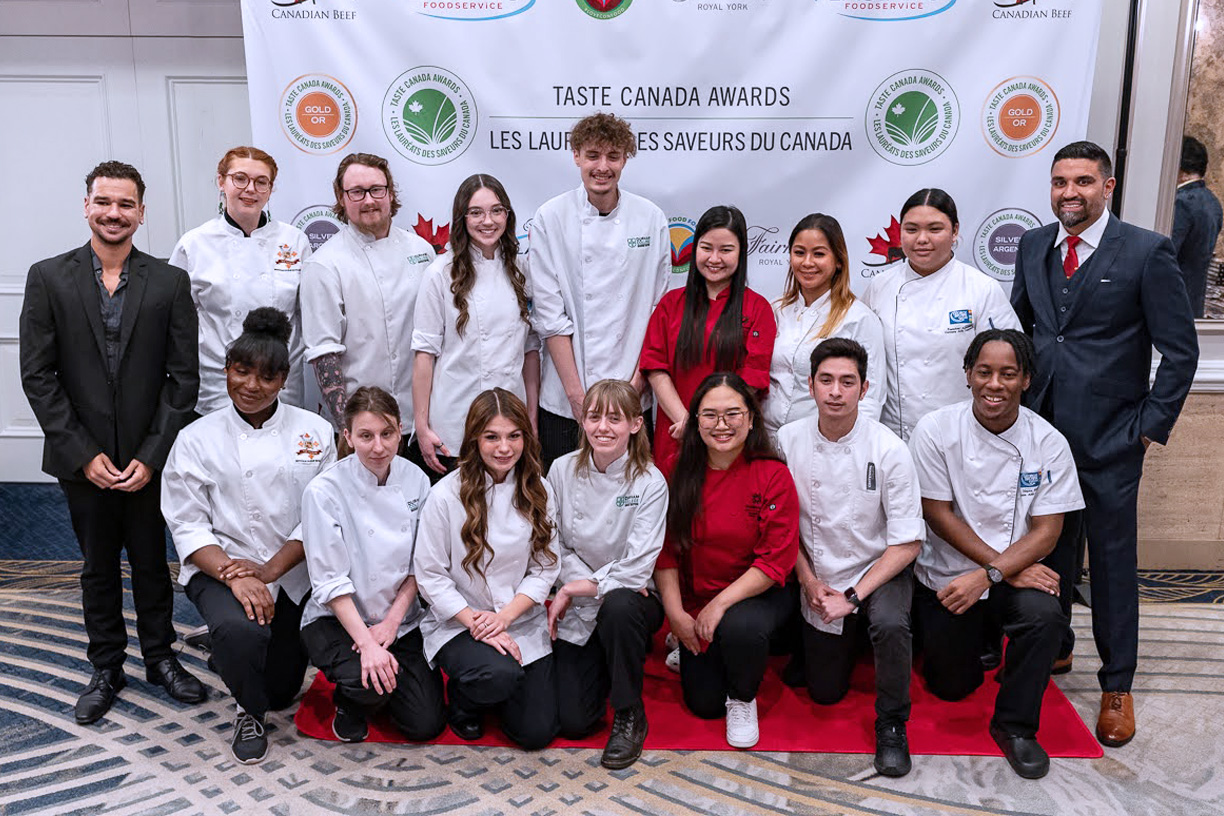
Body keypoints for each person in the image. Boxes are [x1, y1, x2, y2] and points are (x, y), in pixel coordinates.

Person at [1011, 141, 1199, 748]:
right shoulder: (1033, 245)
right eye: (1060, 181)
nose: (1070, 193)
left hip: (1112, 439)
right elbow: (1023, 331)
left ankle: (1117, 684)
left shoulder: (1147, 251)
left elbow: (1180, 350)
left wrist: (1148, 426)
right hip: (1040, 437)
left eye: (1084, 182)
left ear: (1108, 186)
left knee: (1113, 564)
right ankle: (1057, 647)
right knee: (1052, 551)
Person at [19, 160, 205, 725]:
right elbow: (38, 375)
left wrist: (152, 455)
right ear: (87, 206)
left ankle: (159, 657)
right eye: (104, 202)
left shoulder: (169, 282)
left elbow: (183, 379)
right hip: (83, 463)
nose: (114, 214)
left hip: (150, 459)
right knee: (97, 566)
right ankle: (106, 666)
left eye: (126, 205)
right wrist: (81, 453)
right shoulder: (48, 277)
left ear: (141, 213)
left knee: (152, 562)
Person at [162, 308, 335, 763]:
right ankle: (248, 712)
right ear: (226, 371)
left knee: (280, 690)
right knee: (242, 633)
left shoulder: (315, 432)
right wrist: (237, 577)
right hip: (219, 567)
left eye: (266, 377)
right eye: (241, 372)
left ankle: (230, 653)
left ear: (283, 380)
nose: (251, 386)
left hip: (292, 571)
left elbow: (322, 514)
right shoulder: (197, 438)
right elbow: (186, 522)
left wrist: (271, 569)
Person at [909, 330, 1084, 779]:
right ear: (967, 375)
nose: (994, 384)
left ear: (1026, 380)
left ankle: (1016, 726)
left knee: (1045, 616)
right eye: (984, 372)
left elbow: (1048, 531)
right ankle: (980, 642)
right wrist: (997, 570)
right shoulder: (935, 430)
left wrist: (991, 575)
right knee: (951, 687)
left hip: (1005, 572)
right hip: (950, 576)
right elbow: (936, 513)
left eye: (1008, 374)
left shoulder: (1048, 441)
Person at [776, 338, 922, 778]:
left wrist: (853, 597)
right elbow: (785, 530)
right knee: (824, 694)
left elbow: (908, 543)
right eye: (826, 381)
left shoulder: (890, 448)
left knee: (891, 623)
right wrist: (807, 581)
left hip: (880, 566)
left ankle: (893, 723)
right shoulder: (787, 440)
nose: (835, 392)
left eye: (847, 382)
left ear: (864, 388)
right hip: (817, 569)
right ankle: (832, 642)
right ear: (810, 385)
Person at [654, 373, 799, 749]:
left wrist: (718, 606)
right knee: (702, 704)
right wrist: (676, 614)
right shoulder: (675, 469)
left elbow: (775, 560)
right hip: (696, 595)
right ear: (694, 420)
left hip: (755, 595)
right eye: (709, 415)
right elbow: (665, 550)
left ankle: (742, 696)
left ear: (751, 418)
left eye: (733, 413)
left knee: (740, 628)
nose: (722, 425)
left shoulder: (773, 474)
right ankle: (704, 650)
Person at [414, 389, 560, 749]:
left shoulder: (539, 490)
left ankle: (500, 690)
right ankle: (465, 703)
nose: (504, 448)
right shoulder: (445, 494)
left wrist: (504, 619)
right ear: (474, 438)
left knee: (536, 733)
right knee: (497, 674)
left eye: (514, 436)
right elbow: (430, 575)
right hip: (460, 623)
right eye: (491, 437)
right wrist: (478, 624)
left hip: (518, 620)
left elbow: (545, 569)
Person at [298, 386, 445, 743]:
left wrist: (392, 624)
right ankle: (351, 700)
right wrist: (367, 645)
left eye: (387, 434)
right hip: (336, 620)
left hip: (399, 620)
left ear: (400, 431)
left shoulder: (417, 481)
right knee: (370, 686)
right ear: (347, 436)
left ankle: (380, 687)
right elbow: (330, 582)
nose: (378, 447)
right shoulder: (324, 492)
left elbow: (420, 564)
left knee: (425, 724)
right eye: (365, 436)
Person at [527, 113, 670, 471]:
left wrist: (634, 391)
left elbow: (657, 313)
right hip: (564, 401)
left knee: (631, 501)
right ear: (576, 156)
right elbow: (550, 317)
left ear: (625, 159)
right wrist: (578, 398)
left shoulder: (650, 218)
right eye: (592, 156)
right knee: (562, 502)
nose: (602, 167)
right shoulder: (550, 217)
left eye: (613, 156)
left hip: (633, 398)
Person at [547, 379, 668, 769]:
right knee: (575, 721)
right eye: (594, 416)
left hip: (634, 601)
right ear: (582, 421)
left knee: (618, 607)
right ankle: (605, 651)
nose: (603, 427)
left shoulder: (650, 482)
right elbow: (551, 544)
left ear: (635, 424)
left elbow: (637, 567)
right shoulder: (561, 470)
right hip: (578, 595)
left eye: (615, 418)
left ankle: (630, 713)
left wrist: (577, 588)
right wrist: (575, 587)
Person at [861, 188, 1020, 441]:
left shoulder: (981, 288)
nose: (922, 239)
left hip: (963, 434)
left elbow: (1011, 360)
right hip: (893, 436)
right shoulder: (880, 287)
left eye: (935, 229)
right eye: (911, 230)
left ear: (955, 231)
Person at [411, 174, 540, 481]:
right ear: (462, 218)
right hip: (454, 423)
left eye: (497, 211)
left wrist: (531, 419)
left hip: (510, 424)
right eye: (476, 212)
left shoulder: (523, 271)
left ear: (508, 216)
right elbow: (424, 356)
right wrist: (422, 426)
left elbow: (531, 352)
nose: (488, 221)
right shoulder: (440, 274)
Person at [169, 146, 312, 415]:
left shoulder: (295, 242)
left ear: (270, 189)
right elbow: (175, 324)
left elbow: (308, 315)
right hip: (218, 386)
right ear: (221, 181)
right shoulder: (194, 244)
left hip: (282, 384)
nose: (250, 189)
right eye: (240, 179)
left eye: (261, 182)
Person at [301, 152, 436, 434]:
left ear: (390, 192)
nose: (369, 200)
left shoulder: (421, 251)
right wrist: (349, 430)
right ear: (341, 197)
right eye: (357, 192)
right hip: (361, 427)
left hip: (422, 422)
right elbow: (324, 353)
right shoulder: (324, 264)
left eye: (376, 189)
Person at [640, 205, 777, 464]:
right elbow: (656, 369)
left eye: (726, 250)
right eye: (706, 248)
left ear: (741, 253)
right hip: (677, 436)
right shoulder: (670, 304)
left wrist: (715, 425)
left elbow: (752, 378)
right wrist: (686, 422)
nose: (714, 258)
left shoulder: (758, 308)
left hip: (730, 437)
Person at [765, 213, 885, 440]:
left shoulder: (858, 318)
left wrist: (849, 449)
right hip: (766, 440)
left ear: (839, 260)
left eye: (819, 254)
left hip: (823, 443)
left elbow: (870, 398)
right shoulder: (775, 309)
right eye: (799, 253)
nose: (807, 262)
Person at [1172, 135, 1223, 318]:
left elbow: (1166, 255)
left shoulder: (1181, 202)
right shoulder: (1213, 201)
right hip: (1195, 300)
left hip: (1173, 301)